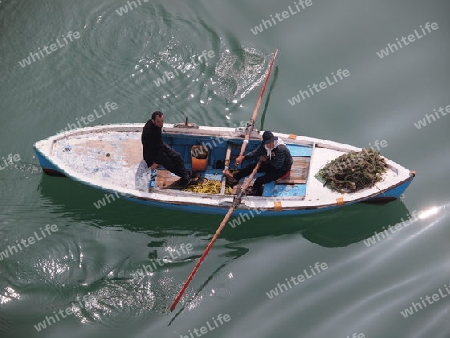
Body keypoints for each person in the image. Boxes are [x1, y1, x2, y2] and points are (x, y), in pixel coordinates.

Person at [223, 131, 293, 196]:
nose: (270, 144)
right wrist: (244, 157)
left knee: (259, 180)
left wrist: (266, 159)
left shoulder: (281, 149)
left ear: (274, 140)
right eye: (267, 143)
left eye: (271, 142)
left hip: (282, 169)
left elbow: (278, 165)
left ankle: (256, 191)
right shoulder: (264, 145)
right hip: (271, 161)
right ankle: (235, 178)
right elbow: (256, 152)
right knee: (251, 167)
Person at [141, 111, 193, 187]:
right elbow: (146, 148)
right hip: (154, 153)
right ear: (153, 121)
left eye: (162, 121)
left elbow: (158, 140)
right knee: (170, 164)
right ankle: (186, 178)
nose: (161, 123)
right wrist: (150, 163)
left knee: (177, 156)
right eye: (158, 122)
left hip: (159, 144)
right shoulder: (148, 132)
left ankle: (186, 174)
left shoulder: (156, 125)